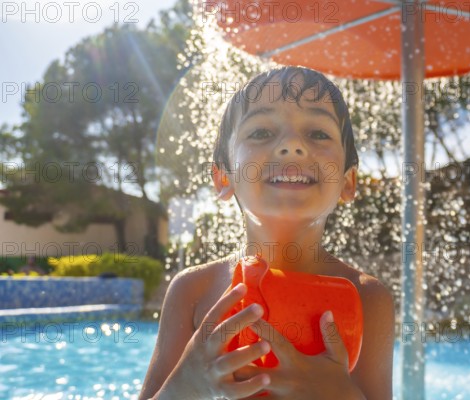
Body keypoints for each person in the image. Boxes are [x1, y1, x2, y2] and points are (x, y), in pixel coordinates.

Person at [140, 66, 395, 399]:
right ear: (224, 178)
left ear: (348, 181)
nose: (291, 145)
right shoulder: (194, 290)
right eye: (261, 132)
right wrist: (184, 386)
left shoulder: (366, 299)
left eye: (318, 133)